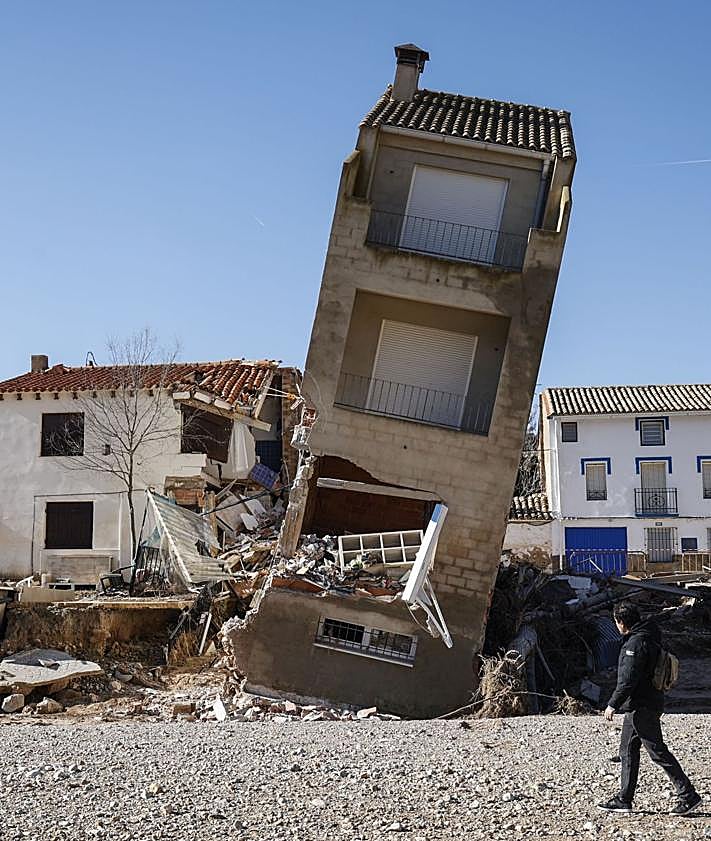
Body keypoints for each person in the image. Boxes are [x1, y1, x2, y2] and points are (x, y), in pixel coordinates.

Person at [598, 602, 701, 815]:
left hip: (641, 705)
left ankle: (688, 796)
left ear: (621, 622)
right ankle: (624, 799)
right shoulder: (651, 635)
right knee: (627, 750)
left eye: (617, 622)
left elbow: (628, 680)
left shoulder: (634, 644)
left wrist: (612, 705)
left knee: (657, 751)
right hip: (646, 703)